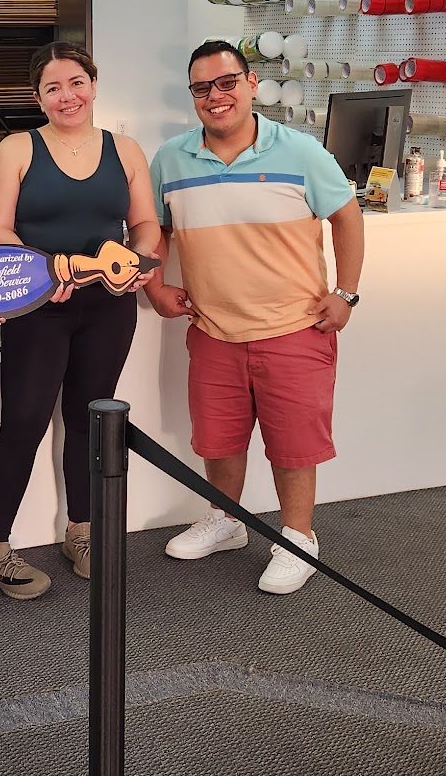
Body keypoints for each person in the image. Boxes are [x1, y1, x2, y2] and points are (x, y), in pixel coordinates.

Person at [147, 40, 365, 595]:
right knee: (218, 439)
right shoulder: (170, 159)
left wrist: (346, 293)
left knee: (294, 444)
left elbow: (347, 216)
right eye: (202, 88)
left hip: (294, 327)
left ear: (250, 85)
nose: (215, 96)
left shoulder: (301, 152)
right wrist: (155, 285)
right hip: (212, 329)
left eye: (226, 83)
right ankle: (226, 520)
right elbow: (153, 231)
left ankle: (298, 538)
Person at [0, 41, 160, 598]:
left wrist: (140, 261)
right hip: (39, 307)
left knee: (88, 419)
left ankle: (81, 530)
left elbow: (145, 224)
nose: (67, 96)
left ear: (94, 85)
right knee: (24, 420)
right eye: (53, 88)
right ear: (38, 98)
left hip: (108, 307)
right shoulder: (17, 148)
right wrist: (40, 273)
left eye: (76, 83)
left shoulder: (125, 149)